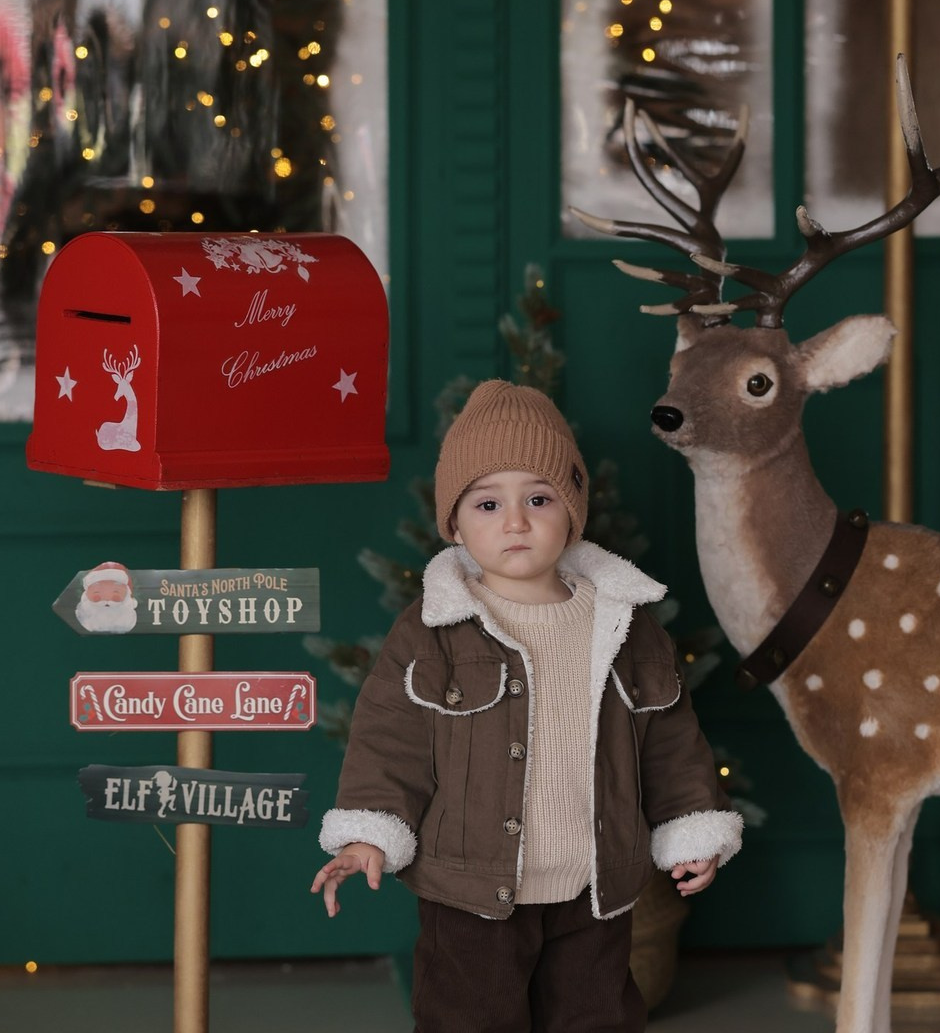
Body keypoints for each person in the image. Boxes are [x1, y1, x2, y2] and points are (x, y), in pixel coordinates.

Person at [311, 380, 742, 1032]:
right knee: (470, 1019)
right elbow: (388, 740)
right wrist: (370, 833)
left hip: (594, 887)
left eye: (539, 498)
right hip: (469, 892)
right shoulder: (433, 629)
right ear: (454, 522)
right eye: (487, 503)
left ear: (572, 511)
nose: (515, 521)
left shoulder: (624, 624)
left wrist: (691, 828)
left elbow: (671, 742)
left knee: (596, 1016)